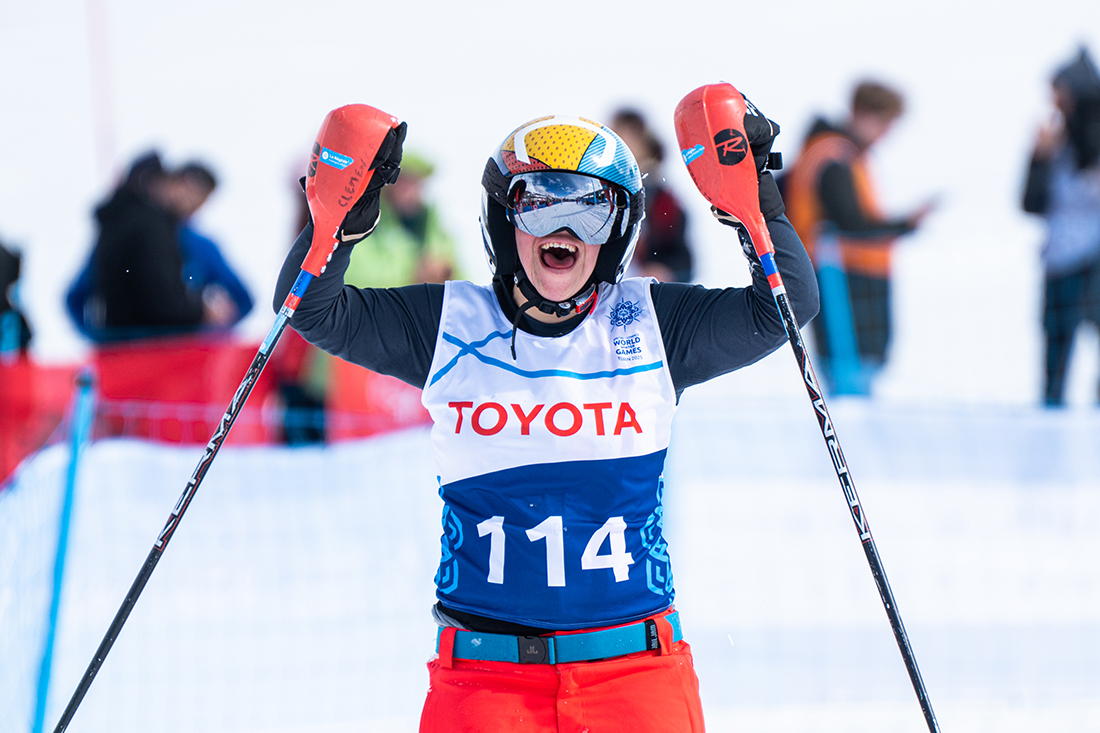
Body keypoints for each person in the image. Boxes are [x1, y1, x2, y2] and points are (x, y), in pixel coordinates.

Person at [274, 104, 817, 731]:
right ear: (507, 223)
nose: (566, 229)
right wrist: (334, 220)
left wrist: (757, 204)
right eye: (541, 206)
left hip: (636, 675)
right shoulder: (449, 325)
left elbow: (784, 305)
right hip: (486, 681)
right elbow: (312, 310)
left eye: (590, 211)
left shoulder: (653, 325)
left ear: (615, 234)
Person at [784, 80, 934, 394]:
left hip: (850, 280)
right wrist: (904, 225)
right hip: (845, 284)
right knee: (851, 379)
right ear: (861, 113)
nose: (885, 134)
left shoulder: (840, 154)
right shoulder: (834, 158)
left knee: (856, 377)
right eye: (883, 123)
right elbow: (849, 222)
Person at [75, 152, 238, 341]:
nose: (193, 210)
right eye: (196, 200)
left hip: (118, 349)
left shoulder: (119, 222)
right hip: (150, 350)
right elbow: (163, 302)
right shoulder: (151, 227)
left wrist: (99, 338)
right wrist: (203, 312)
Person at [1022, 46, 1100, 406]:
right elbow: (1028, 204)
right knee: (1055, 349)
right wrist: (1038, 161)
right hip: (1058, 261)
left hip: (1093, 260)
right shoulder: (1052, 142)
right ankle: (1051, 415)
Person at [343, 150, 462, 288]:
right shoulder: (362, 226)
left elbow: (466, 280)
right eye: (403, 182)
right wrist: (415, 274)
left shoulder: (437, 231)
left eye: (416, 182)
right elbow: (354, 278)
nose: (410, 190)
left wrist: (449, 275)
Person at [610, 108, 694, 282]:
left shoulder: (659, 194)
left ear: (643, 142)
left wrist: (664, 269)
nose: (625, 144)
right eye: (618, 137)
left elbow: (677, 250)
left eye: (630, 136)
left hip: (647, 285)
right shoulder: (599, 188)